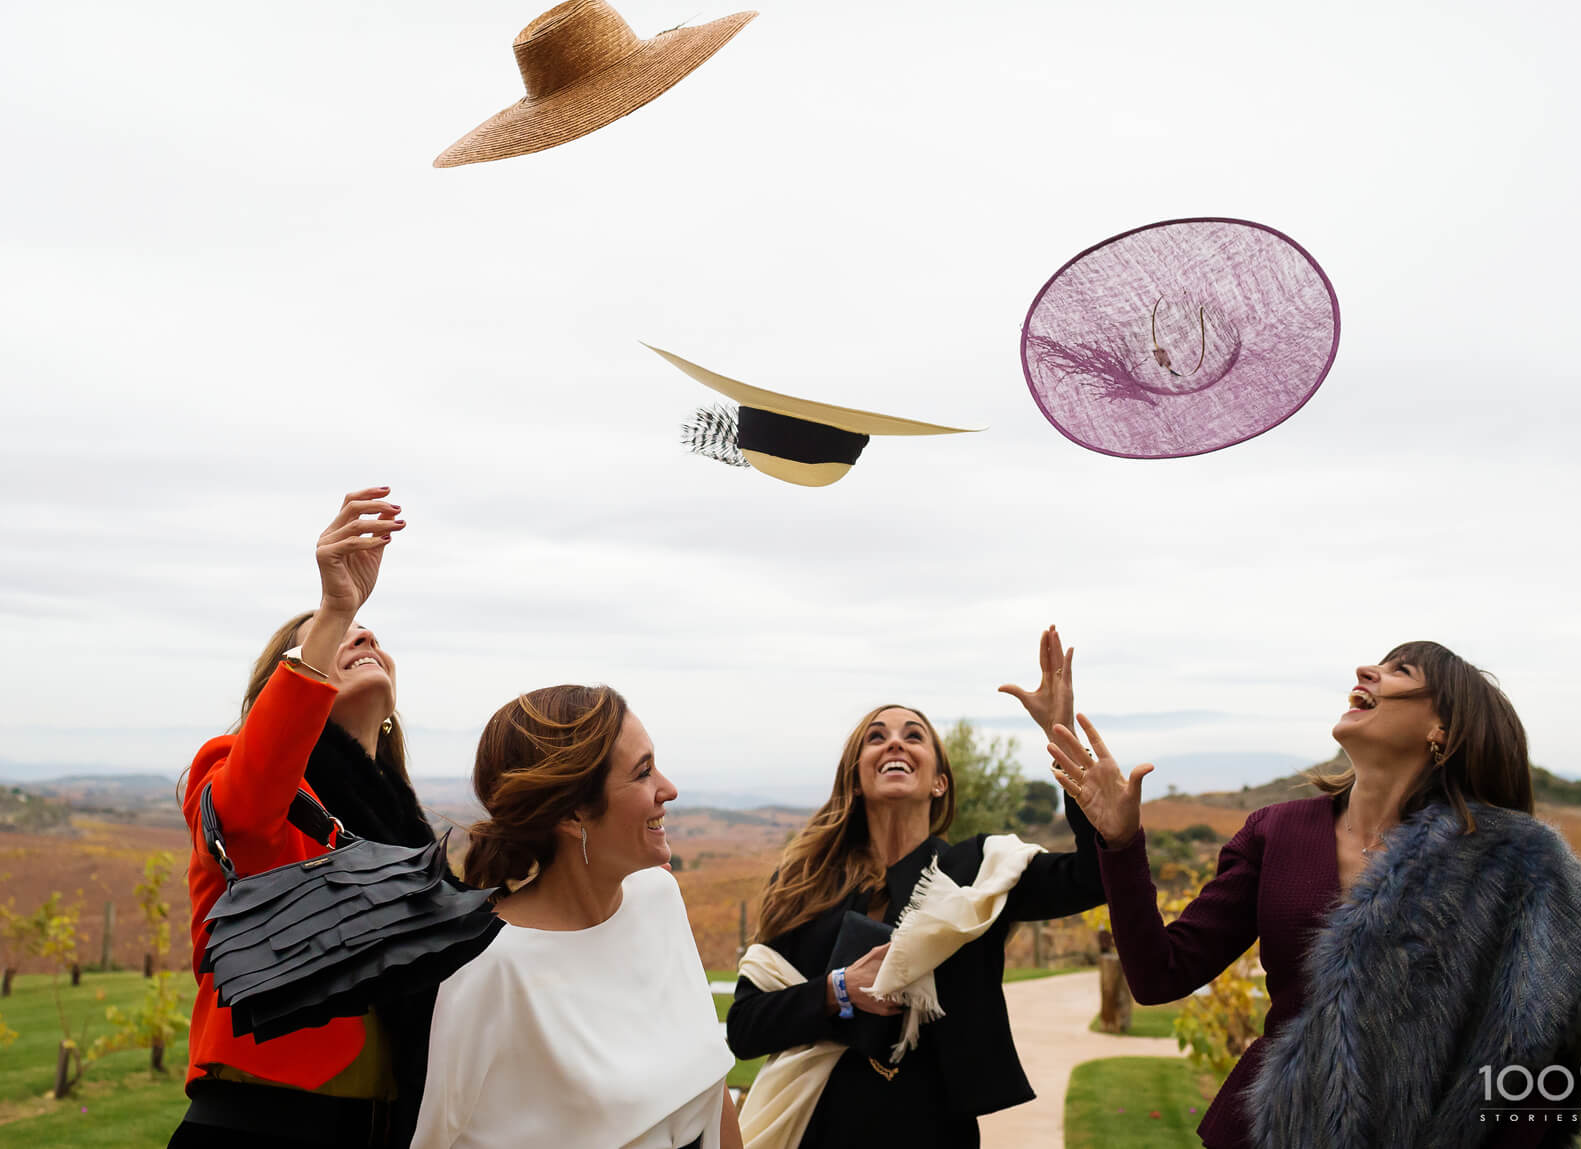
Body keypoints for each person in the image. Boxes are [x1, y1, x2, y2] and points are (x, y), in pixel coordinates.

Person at [1050, 640, 1581, 1149]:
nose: (1365, 671)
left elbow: (1574, 1035)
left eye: (1401, 671)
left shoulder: (1515, 857)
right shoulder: (1277, 830)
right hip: (1268, 1131)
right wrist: (1122, 843)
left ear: (1442, 730)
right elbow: (1160, 975)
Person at [726, 627, 1104, 1149]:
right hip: (817, 1133)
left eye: (913, 735)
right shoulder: (806, 886)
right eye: (876, 737)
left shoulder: (980, 872)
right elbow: (744, 1027)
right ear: (857, 778)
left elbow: (1096, 875)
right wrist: (838, 991)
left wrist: (1063, 734)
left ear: (938, 781)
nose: (895, 742)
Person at [173, 487, 435, 1148]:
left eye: (366, 631)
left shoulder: (406, 831)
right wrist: (336, 604)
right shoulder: (233, 770)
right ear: (281, 692)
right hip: (257, 1120)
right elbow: (246, 815)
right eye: (333, 638)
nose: (365, 632)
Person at [410, 684, 740, 1149]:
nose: (669, 789)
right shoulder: (489, 966)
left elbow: (712, 1086)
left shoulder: (659, 897)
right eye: (643, 773)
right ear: (573, 814)